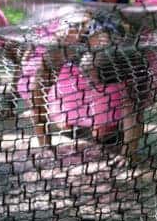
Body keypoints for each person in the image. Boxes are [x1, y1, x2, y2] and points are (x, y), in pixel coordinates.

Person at [26, 10, 149, 164]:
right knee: (66, 123)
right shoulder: (65, 42)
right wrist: (45, 146)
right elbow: (36, 94)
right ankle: (78, 125)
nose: (92, 83)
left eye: (95, 81)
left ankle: (112, 130)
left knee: (107, 133)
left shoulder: (131, 61)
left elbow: (134, 108)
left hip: (120, 56)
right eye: (90, 77)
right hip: (79, 52)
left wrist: (128, 154)